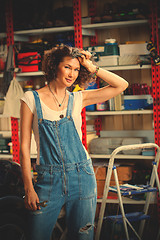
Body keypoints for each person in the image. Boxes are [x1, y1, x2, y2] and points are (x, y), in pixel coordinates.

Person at [20, 45, 128, 240]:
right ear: (54, 66)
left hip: (82, 176)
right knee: (36, 235)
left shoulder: (78, 98)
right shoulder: (31, 99)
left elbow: (121, 85)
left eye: (77, 69)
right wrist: (29, 188)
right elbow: (24, 148)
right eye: (68, 67)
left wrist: (91, 66)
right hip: (48, 179)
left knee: (82, 235)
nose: (72, 74)